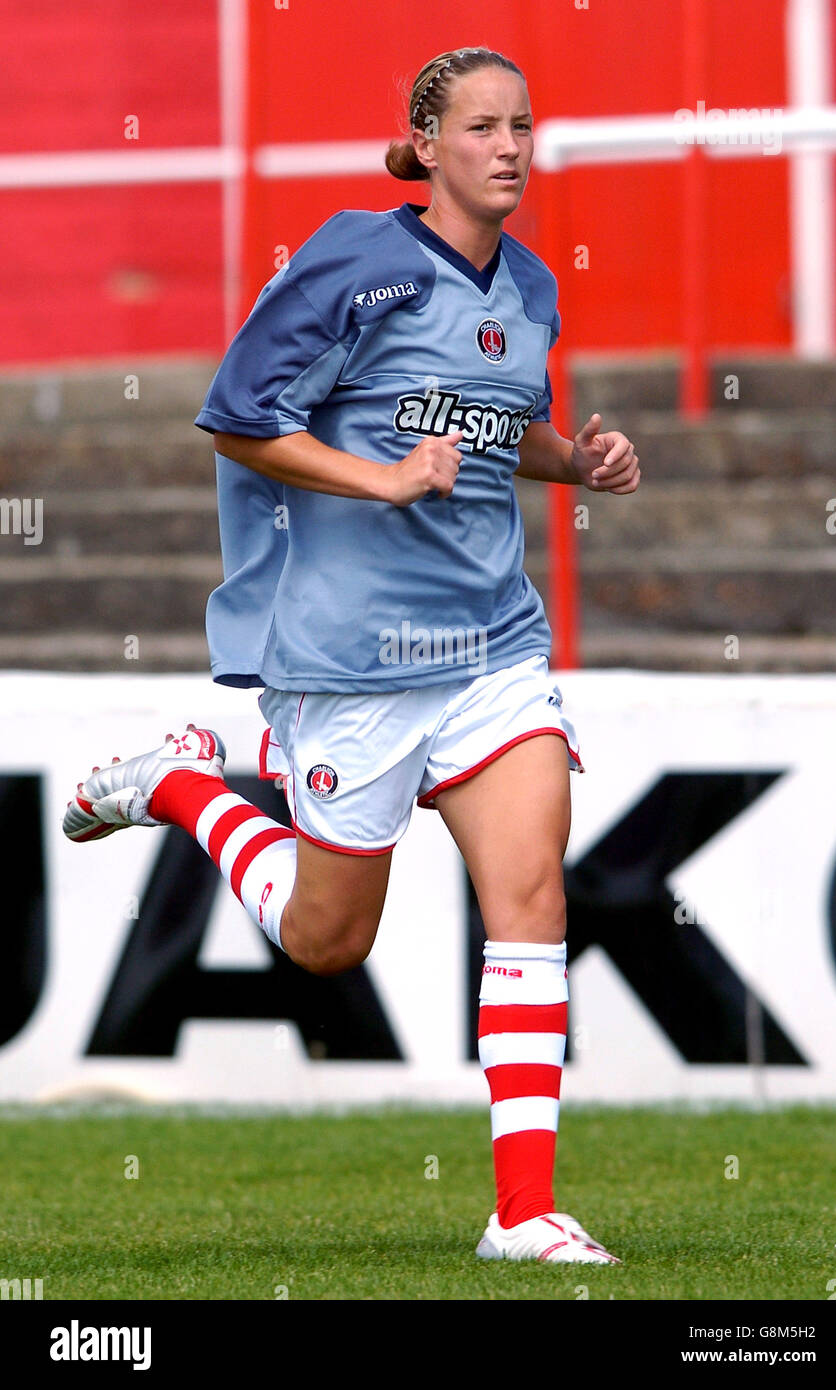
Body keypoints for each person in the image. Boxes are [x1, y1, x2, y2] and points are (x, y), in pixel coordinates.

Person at [64, 46, 639, 1265]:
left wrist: (573, 461)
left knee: (531, 891)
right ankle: (177, 783)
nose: (508, 148)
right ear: (425, 145)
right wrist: (377, 477)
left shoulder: (529, 286)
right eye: (481, 127)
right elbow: (235, 413)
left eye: (521, 127)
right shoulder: (353, 258)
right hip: (351, 660)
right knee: (329, 943)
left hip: (490, 645)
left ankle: (523, 1213)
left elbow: (494, 428)